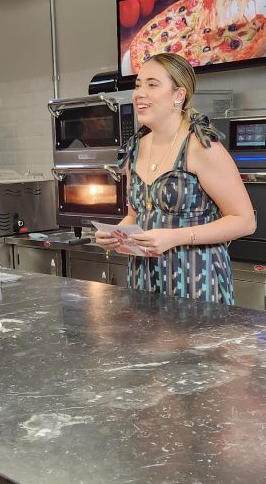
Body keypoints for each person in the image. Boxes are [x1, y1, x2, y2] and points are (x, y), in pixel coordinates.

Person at [94, 52, 256, 304]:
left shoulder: (202, 147)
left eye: (152, 85)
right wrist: (116, 235)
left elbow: (245, 221)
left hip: (196, 279)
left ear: (178, 95)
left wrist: (175, 237)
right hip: (144, 279)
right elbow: (136, 215)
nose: (139, 94)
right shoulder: (134, 149)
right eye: (138, 85)